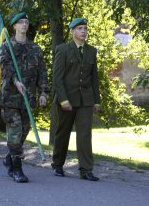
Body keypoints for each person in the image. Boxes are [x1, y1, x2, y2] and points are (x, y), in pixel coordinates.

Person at [0, 12, 49, 183]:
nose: (24, 25)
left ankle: (10, 159)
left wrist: (43, 92)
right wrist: (15, 81)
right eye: (20, 22)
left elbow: (42, 72)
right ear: (14, 26)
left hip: (28, 98)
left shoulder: (35, 49)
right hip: (10, 97)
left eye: (26, 22)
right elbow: (5, 66)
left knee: (23, 132)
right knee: (15, 131)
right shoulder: (6, 46)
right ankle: (17, 169)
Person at [51, 18, 101, 181]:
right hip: (67, 99)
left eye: (85, 28)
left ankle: (86, 170)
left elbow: (94, 78)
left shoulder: (91, 51)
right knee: (63, 132)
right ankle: (58, 164)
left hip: (85, 99)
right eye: (80, 28)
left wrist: (96, 100)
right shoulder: (63, 49)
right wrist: (63, 100)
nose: (83, 31)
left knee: (85, 134)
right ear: (72, 31)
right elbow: (57, 78)